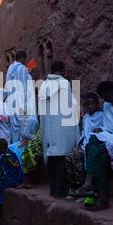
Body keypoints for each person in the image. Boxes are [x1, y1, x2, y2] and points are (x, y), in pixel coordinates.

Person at [39, 61, 80, 198]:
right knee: (61, 158)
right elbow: (69, 105)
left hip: (49, 127)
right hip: (61, 127)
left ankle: (53, 189)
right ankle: (60, 191)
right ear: (62, 70)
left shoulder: (44, 85)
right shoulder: (64, 83)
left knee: (51, 158)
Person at [69, 92, 104, 195]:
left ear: (97, 104)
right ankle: (76, 185)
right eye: (86, 104)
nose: (89, 106)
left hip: (94, 145)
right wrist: (79, 145)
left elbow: (104, 129)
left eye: (91, 104)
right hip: (85, 145)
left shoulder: (101, 116)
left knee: (79, 157)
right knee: (69, 157)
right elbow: (84, 133)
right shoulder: (86, 117)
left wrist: (100, 130)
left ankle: (86, 187)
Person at [6, 51, 35, 143]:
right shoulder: (21, 68)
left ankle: (15, 150)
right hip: (20, 103)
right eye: (25, 59)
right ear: (22, 58)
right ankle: (22, 152)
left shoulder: (10, 68)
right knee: (23, 127)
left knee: (14, 128)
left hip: (11, 103)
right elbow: (23, 87)